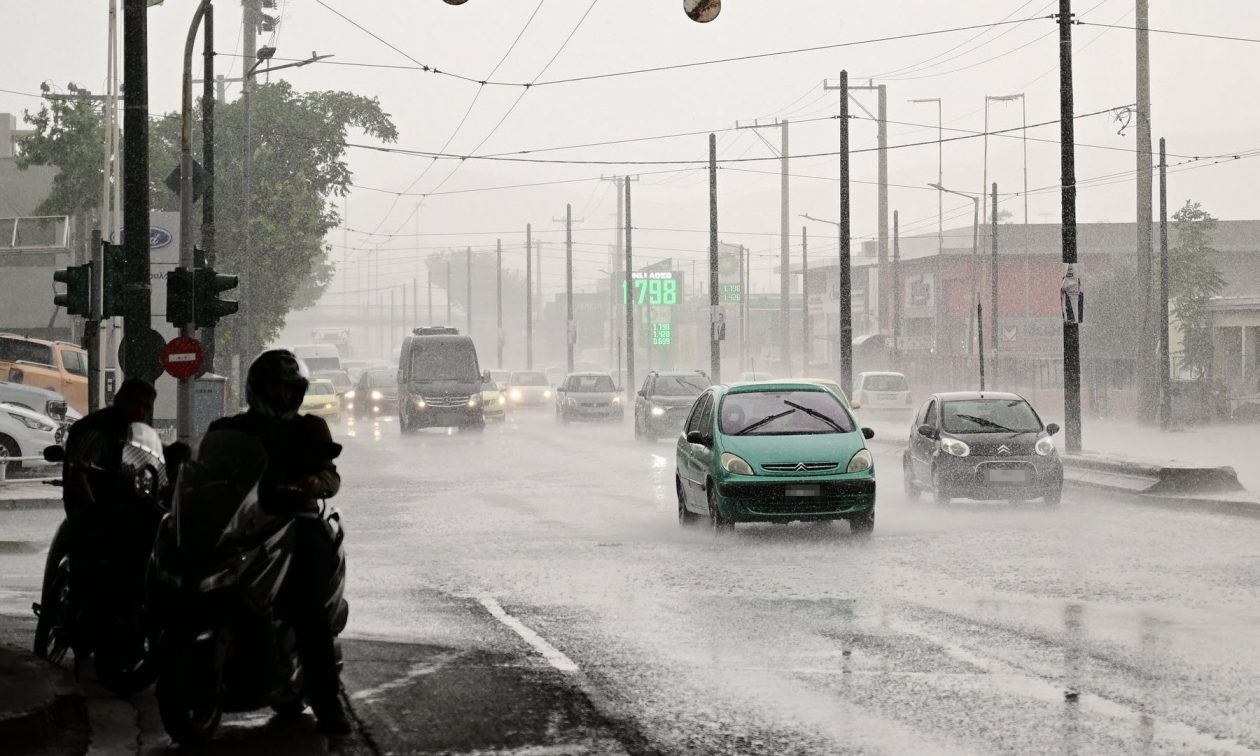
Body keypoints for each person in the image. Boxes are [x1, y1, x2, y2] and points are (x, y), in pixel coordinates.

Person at [207, 349, 349, 734]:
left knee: (308, 609)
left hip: (294, 521)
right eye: (273, 387)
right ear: (256, 388)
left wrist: (316, 484)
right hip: (241, 523)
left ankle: (328, 705)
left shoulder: (310, 429)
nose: (281, 396)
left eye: (288, 389)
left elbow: (330, 476)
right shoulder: (229, 428)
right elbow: (205, 470)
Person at [61, 378, 159, 635]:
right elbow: (78, 474)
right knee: (98, 558)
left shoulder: (138, 434)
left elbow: (152, 465)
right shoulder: (97, 430)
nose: (141, 411)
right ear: (120, 400)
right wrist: (93, 512)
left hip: (126, 509)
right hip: (95, 509)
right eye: (136, 404)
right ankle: (79, 615)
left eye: (146, 407)